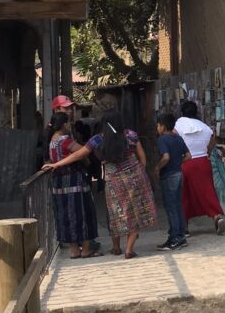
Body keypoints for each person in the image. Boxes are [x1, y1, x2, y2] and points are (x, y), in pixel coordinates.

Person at [43, 110, 157, 259]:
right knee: (134, 212)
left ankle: (116, 247)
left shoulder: (98, 139)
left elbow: (78, 154)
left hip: (113, 180)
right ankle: (129, 250)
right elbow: (142, 157)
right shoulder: (131, 135)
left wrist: (56, 164)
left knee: (116, 212)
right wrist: (140, 174)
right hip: (135, 177)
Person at [44, 111, 99, 259]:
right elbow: (82, 152)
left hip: (59, 183)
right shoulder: (65, 140)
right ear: (63, 124)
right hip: (74, 180)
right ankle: (86, 249)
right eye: (68, 123)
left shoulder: (52, 140)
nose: (70, 125)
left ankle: (74, 250)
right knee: (82, 212)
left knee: (66, 215)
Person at [175, 100, 225, 235]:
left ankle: (184, 227)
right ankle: (216, 216)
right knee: (207, 191)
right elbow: (212, 138)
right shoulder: (204, 126)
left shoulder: (178, 125)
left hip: (185, 163)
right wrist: (207, 152)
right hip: (203, 162)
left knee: (184, 195)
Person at [156, 112, 190, 250]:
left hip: (169, 175)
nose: (157, 128)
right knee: (177, 205)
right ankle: (180, 235)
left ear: (163, 127)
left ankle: (175, 237)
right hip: (178, 173)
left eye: (157, 125)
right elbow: (188, 156)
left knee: (171, 208)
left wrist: (157, 168)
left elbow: (165, 157)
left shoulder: (162, 139)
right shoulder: (178, 138)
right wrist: (178, 163)